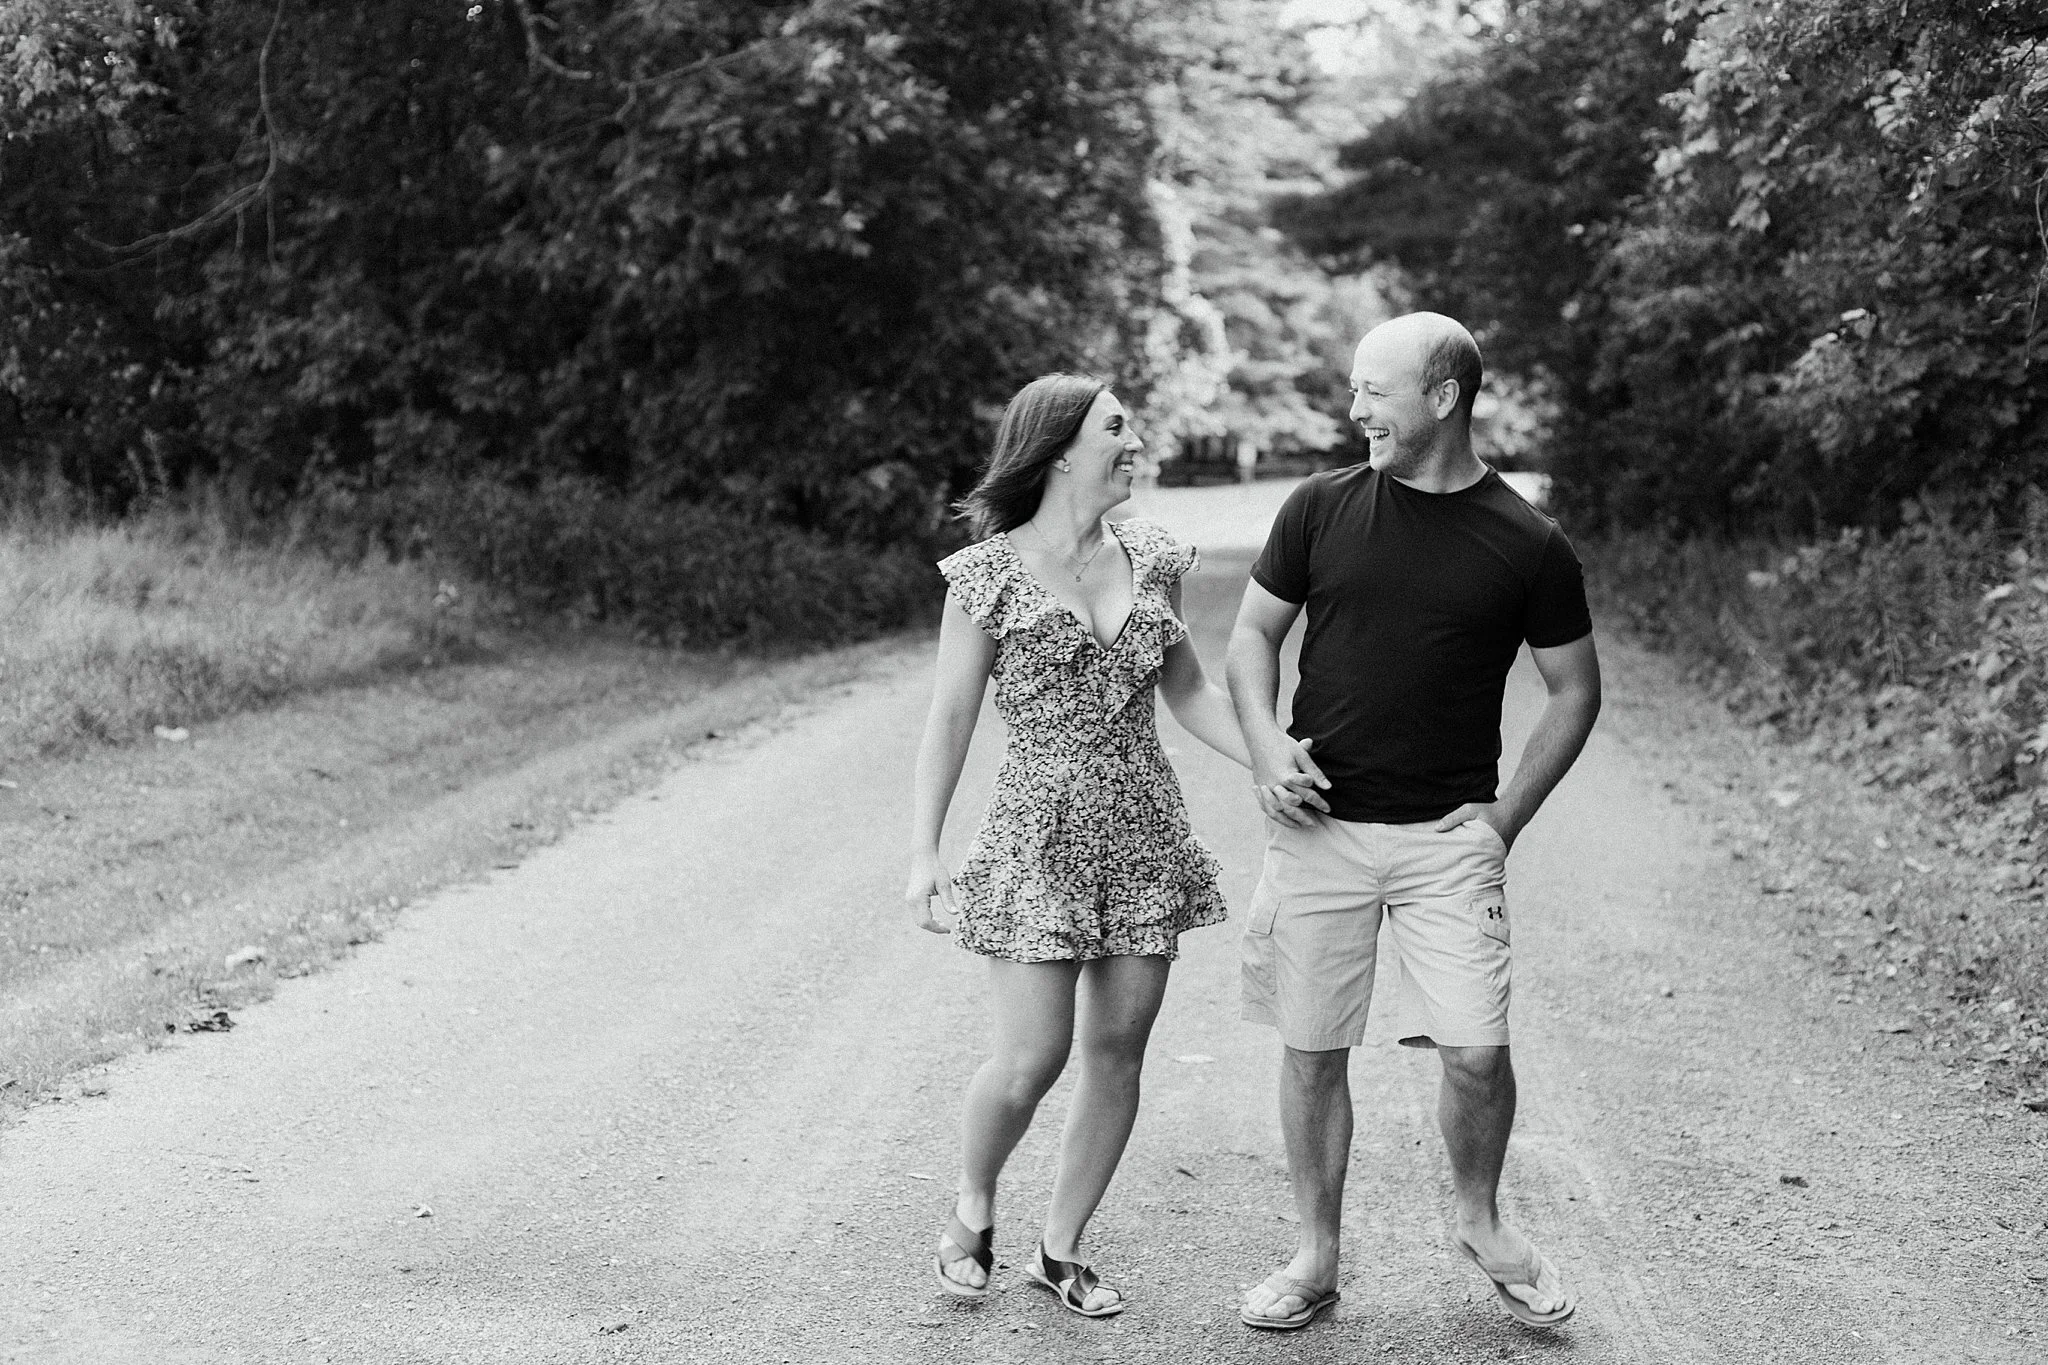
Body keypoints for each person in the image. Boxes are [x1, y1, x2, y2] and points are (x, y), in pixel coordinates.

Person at [905, 372, 1319, 1318]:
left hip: (1143, 830)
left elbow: (1190, 693)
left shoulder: (1154, 557)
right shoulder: (986, 575)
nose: (1135, 443)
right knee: (1030, 1058)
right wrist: (924, 851)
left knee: (1118, 1052)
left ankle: (1060, 1248)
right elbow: (950, 718)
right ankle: (973, 1202)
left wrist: (1272, 757)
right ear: (1058, 450)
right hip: (1037, 834)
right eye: (1116, 428)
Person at [1224, 312, 1601, 1331]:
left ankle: (1480, 1220)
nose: (1355, 410)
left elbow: (1574, 690)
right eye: (1354, 389)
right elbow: (1252, 637)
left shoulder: (1527, 542)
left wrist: (1503, 820)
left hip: (1447, 844)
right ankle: (1314, 1256)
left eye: (1372, 391)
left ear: (1442, 397)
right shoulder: (1319, 506)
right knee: (1312, 1048)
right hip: (1319, 831)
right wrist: (1265, 748)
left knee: (1475, 1051)